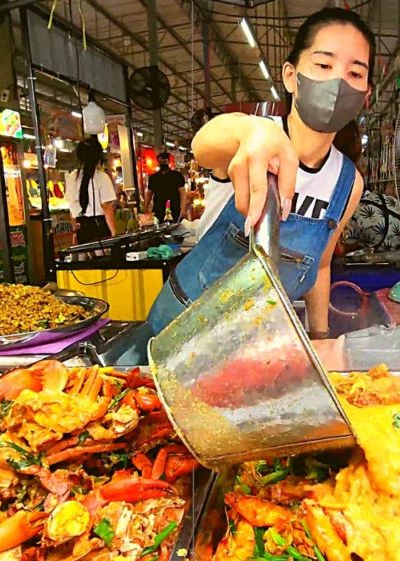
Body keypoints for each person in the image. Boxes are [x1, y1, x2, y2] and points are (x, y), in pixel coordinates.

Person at [146, 7, 373, 340]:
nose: (338, 82)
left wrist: (321, 337)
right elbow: (203, 145)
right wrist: (250, 132)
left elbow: (320, 265)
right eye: (323, 65)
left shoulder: (347, 183)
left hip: (257, 344)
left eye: (355, 73)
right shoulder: (255, 138)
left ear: (366, 96)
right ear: (291, 76)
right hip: (181, 331)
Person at [66, 136, 117, 244]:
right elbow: (107, 207)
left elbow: (72, 208)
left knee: (83, 258)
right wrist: (113, 233)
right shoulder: (102, 177)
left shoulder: (72, 177)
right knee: (101, 258)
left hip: (81, 229)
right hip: (99, 227)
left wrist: (75, 232)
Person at [146, 152, 186, 223]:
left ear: (168, 161)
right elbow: (149, 194)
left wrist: (183, 209)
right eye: (160, 161)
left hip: (174, 208)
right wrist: (145, 209)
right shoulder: (153, 178)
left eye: (165, 161)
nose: (163, 163)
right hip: (158, 209)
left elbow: (182, 194)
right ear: (158, 162)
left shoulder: (177, 176)